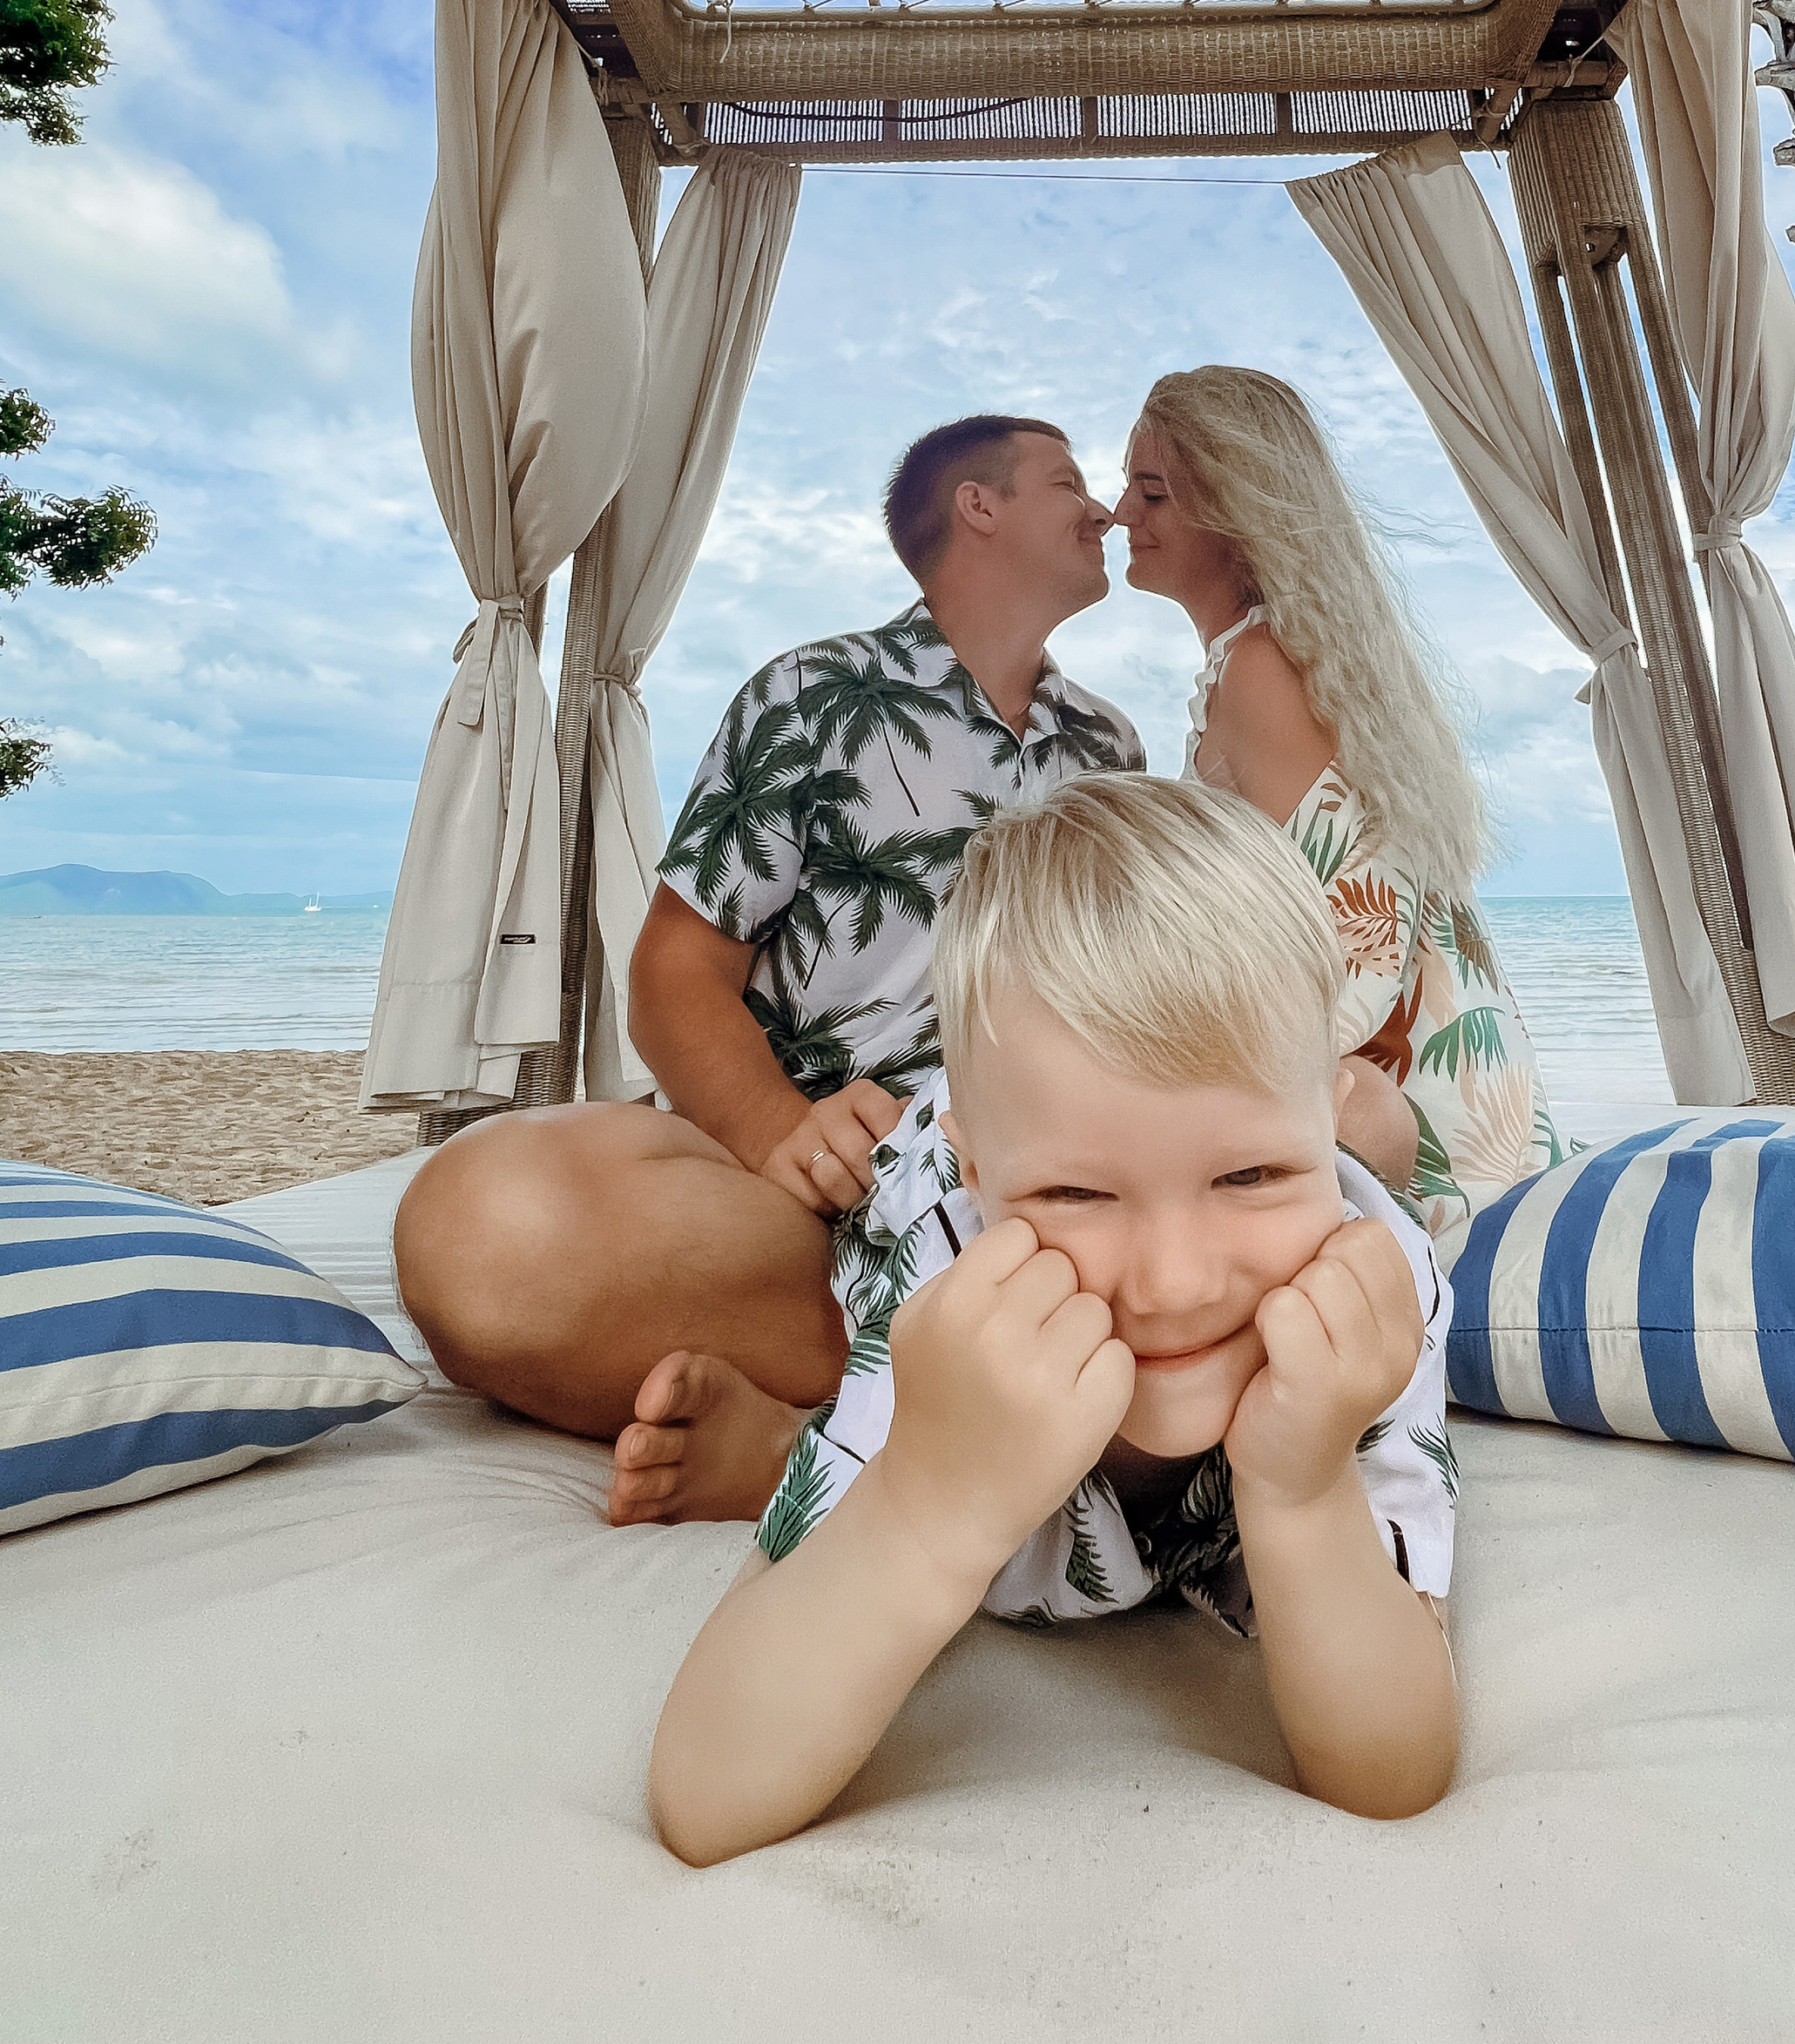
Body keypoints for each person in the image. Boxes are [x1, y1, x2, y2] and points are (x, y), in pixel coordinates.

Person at [646, 775, 1460, 1865]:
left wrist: (1305, 1489)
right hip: (906, 1176)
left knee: (1396, 1148)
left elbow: (1395, 1770)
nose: (1172, 1282)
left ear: (1324, 1119)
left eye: (1252, 1172)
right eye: (1076, 1194)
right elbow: (704, 1796)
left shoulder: (1365, 1280)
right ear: (984, 1178)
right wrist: (924, 1502)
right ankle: (807, 1448)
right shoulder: (947, 1266)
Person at [393, 415, 1144, 1526]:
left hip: (1037, 1190)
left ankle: (825, 1437)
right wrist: (782, 1135)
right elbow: (673, 970)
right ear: (977, 507)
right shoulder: (812, 696)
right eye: (1069, 482)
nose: (1105, 509)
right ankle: (970, 1381)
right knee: (480, 1228)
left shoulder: (1110, 752)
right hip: (809, 1192)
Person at [1112, 366, 1562, 1254]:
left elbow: (1354, 943)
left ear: (1234, 508)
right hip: (1460, 1090)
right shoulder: (1270, 659)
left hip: (1417, 1123)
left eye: (1153, 491)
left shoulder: (1264, 668)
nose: (1123, 512)